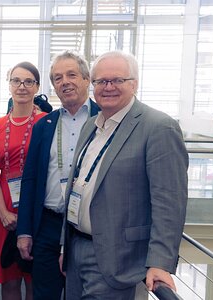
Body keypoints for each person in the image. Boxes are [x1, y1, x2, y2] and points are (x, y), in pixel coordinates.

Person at [62, 51, 188, 299]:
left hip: (117, 259)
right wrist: (66, 246)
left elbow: (169, 202)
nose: (108, 87)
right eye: (101, 81)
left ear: (135, 84)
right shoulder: (92, 124)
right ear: (92, 85)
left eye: (117, 80)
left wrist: (160, 262)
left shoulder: (158, 127)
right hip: (76, 249)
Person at [15, 51, 100, 299]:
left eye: (72, 74)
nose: (65, 82)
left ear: (86, 79)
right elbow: (30, 180)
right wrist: (24, 231)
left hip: (87, 228)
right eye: (58, 77)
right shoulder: (44, 125)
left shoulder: (103, 118)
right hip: (48, 226)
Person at [0, 61, 46, 300]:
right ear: (9, 85)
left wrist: (28, 217)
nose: (22, 86)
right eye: (16, 81)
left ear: (36, 87)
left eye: (28, 81)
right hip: (4, 209)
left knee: (34, 279)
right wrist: (2, 213)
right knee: (8, 280)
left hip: (36, 209)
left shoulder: (48, 122)